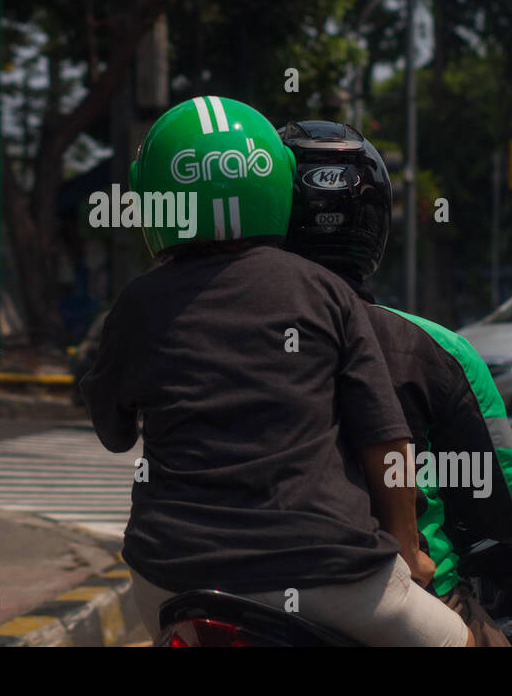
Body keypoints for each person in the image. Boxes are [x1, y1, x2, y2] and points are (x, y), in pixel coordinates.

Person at [80, 96, 473, 646]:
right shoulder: (325, 293)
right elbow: (387, 443)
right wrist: (408, 551)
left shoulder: (136, 304)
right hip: (327, 569)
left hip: (173, 576)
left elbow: (113, 433)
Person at [279, 119, 512, 646]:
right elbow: (501, 503)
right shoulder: (433, 348)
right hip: (397, 597)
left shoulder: (216, 332)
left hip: (225, 585)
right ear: (375, 224)